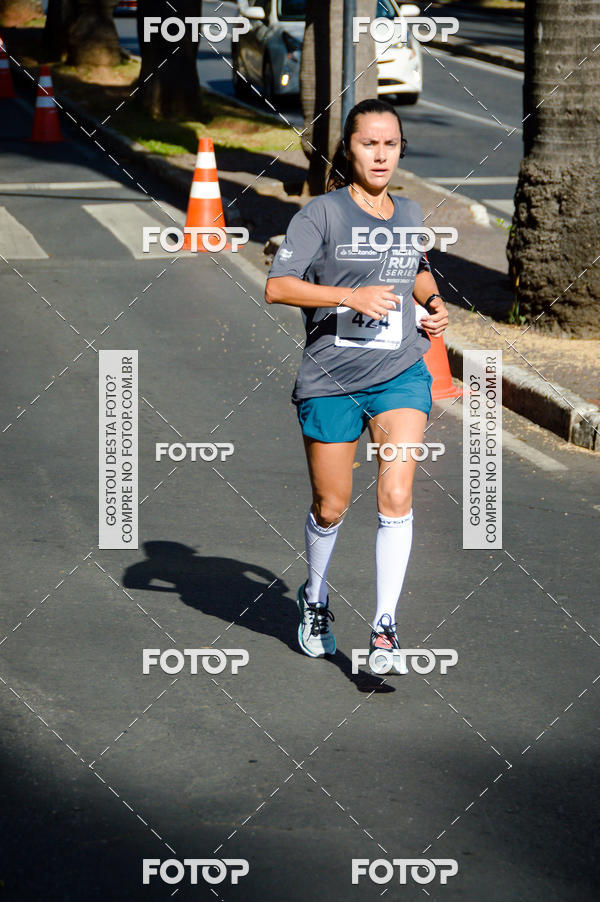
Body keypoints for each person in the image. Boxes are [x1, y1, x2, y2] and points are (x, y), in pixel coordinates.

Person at [264, 97, 448, 672]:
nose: (380, 154)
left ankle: (385, 628)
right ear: (349, 147)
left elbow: (414, 267)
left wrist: (434, 302)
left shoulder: (411, 211)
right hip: (330, 378)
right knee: (332, 503)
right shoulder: (320, 215)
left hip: (399, 372)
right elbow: (278, 286)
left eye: (390, 144)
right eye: (369, 143)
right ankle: (315, 599)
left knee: (396, 494)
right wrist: (349, 296)